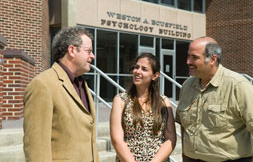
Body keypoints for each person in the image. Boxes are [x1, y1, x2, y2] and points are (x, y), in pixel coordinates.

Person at [176, 36, 253, 162]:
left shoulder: (237, 85)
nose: (188, 62)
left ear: (212, 59)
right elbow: (185, 126)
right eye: (188, 56)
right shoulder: (187, 86)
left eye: (194, 57)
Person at [23, 27, 99, 162]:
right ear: (72, 50)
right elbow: (36, 148)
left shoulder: (82, 85)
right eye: (89, 51)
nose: (92, 56)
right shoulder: (43, 85)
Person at [110, 53, 177, 162]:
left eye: (144, 69)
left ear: (155, 76)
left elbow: (170, 139)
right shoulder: (120, 100)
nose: (137, 71)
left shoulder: (164, 102)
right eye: (136, 67)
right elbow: (117, 139)